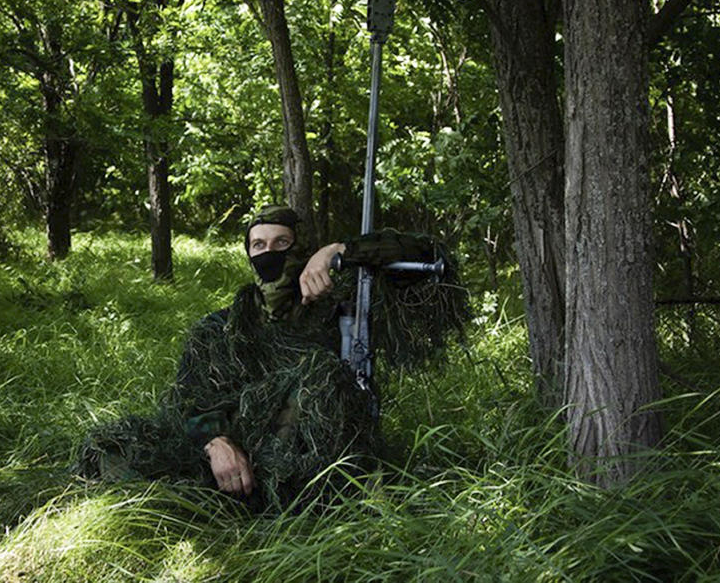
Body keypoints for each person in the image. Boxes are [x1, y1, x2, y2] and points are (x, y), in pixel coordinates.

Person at [76, 205, 464, 510]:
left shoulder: (341, 317)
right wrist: (216, 443)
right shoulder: (219, 328)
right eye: (258, 246)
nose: (269, 254)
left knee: (322, 379)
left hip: (309, 466)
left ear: (302, 249)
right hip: (234, 467)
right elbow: (189, 405)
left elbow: (428, 256)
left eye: (282, 244)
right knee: (114, 450)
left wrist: (339, 251)